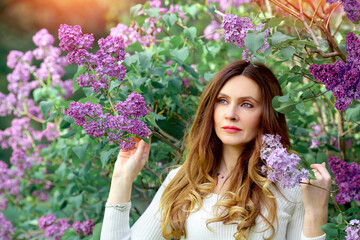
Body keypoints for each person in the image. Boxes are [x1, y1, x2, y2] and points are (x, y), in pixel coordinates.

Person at [100, 60, 331, 240]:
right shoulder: (183, 180)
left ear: (267, 114)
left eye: (246, 104)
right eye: (222, 101)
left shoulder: (289, 188)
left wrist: (317, 211)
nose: (230, 113)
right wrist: (122, 177)